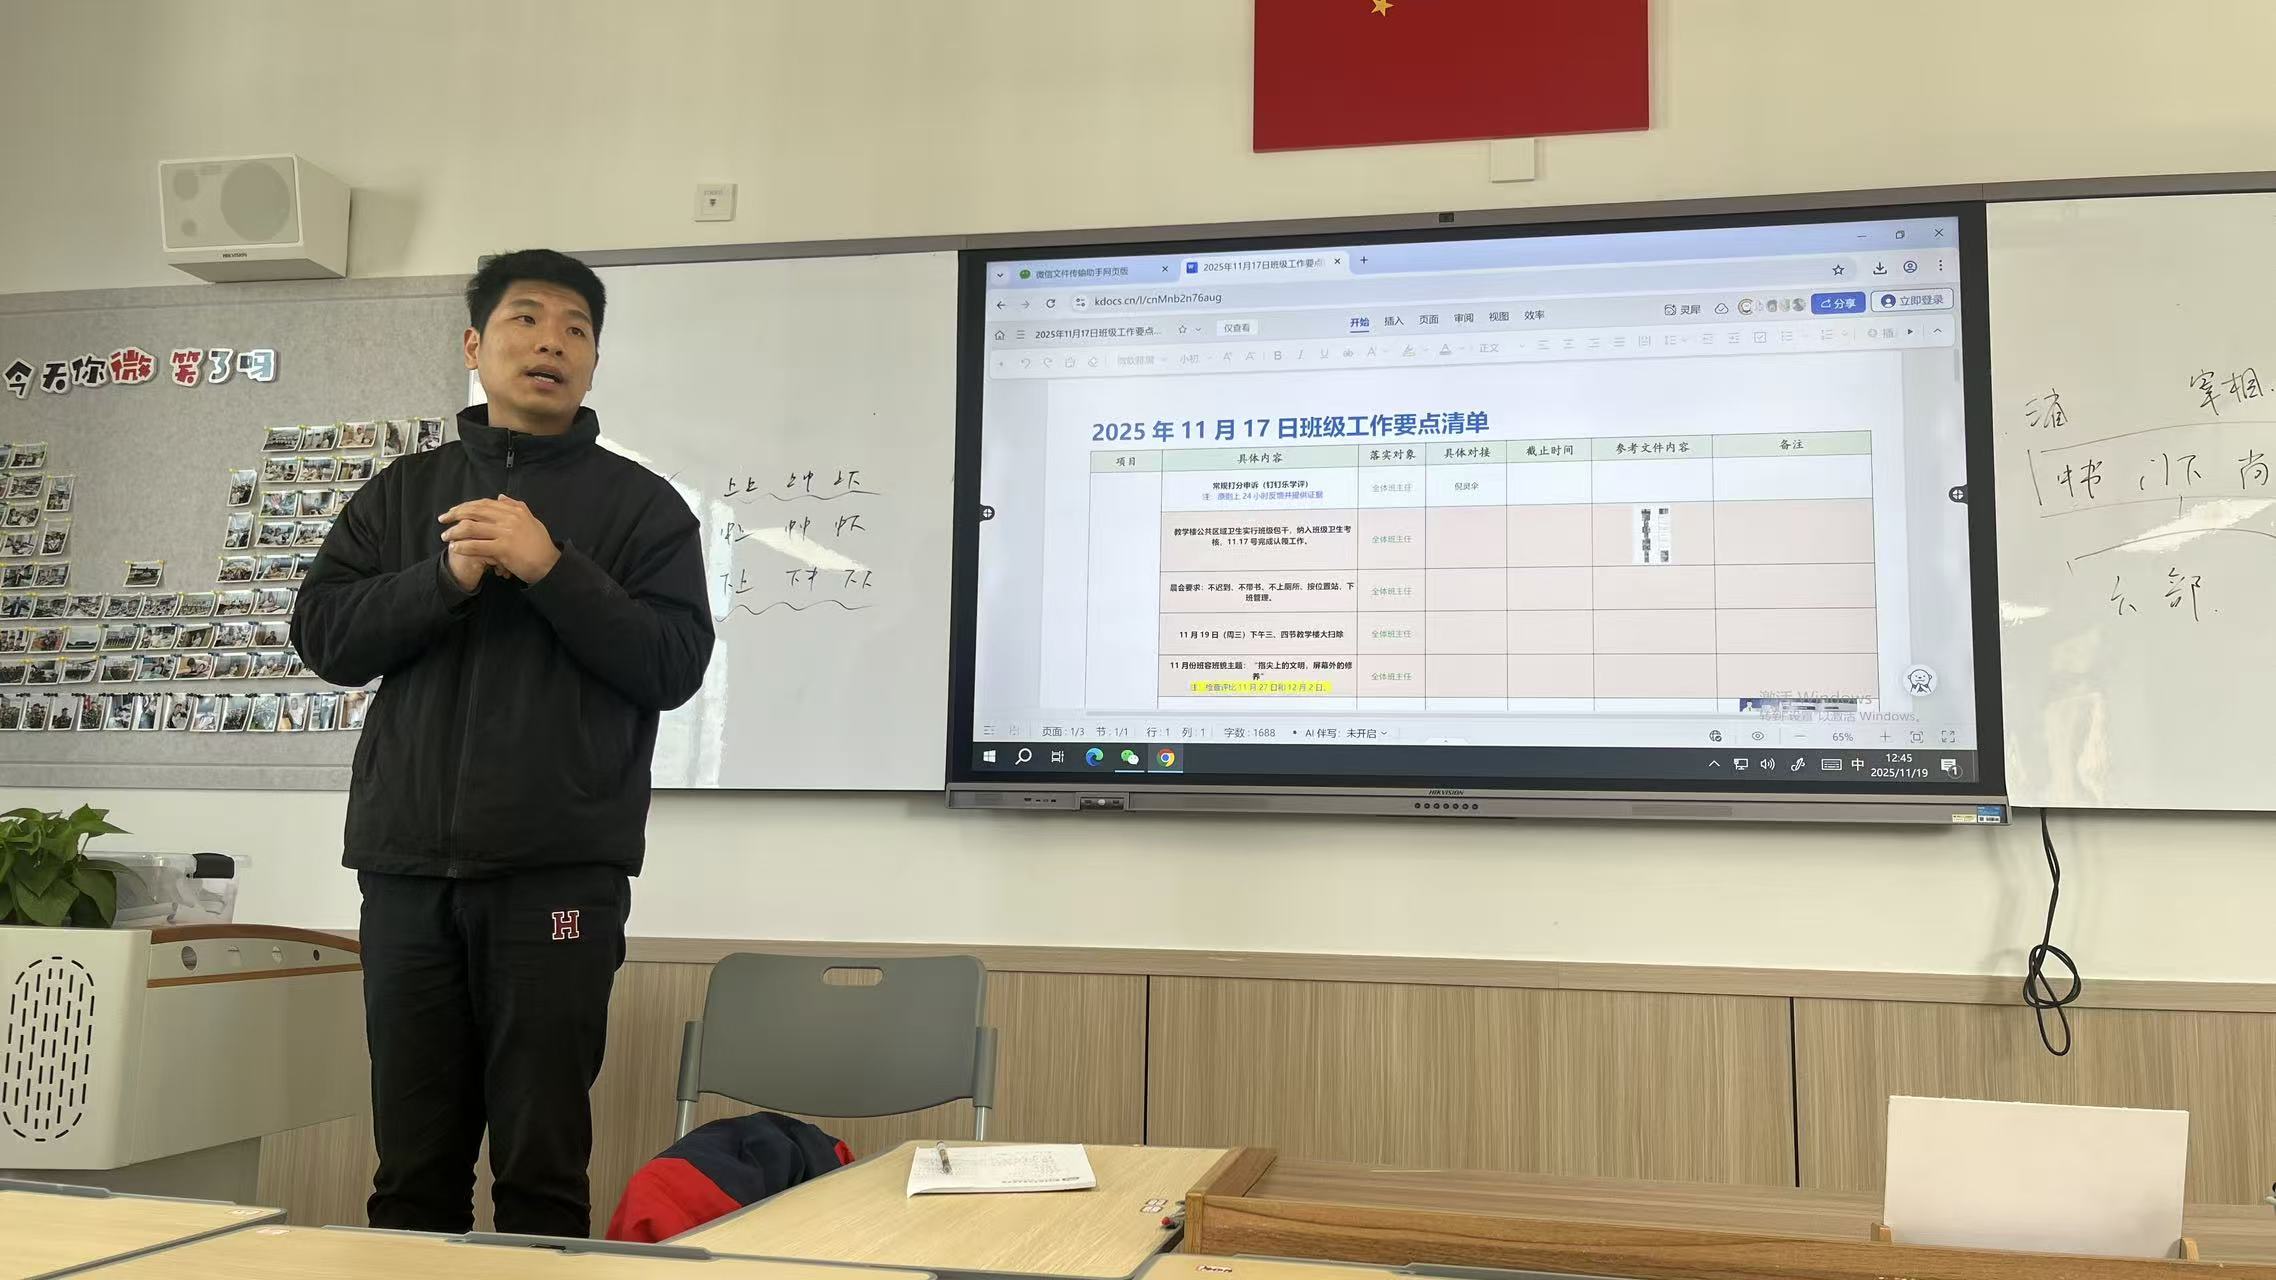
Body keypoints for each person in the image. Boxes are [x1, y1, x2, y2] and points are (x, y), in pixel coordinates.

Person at [295, 249, 714, 1237]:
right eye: (525, 320)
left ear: (594, 361)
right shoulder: (401, 494)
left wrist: (550, 566)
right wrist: (442, 580)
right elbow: (325, 638)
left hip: (557, 874)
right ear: (475, 345)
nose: (550, 343)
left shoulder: (643, 507)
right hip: (407, 869)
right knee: (412, 1170)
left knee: (541, 1168)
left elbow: (672, 663)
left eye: (575, 329)